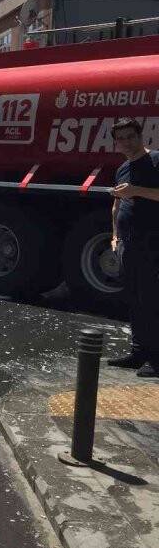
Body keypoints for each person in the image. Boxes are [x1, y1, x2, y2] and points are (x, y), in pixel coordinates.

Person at [107, 118, 159, 377]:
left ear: (140, 135)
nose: (126, 142)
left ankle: (156, 360)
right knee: (135, 299)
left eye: (130, 136)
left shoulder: (156, 160)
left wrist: (136, 190)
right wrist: (115, 237)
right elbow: (117, 204)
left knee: (152, 299)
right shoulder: (123, 168)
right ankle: (139, 353)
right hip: (129, 242)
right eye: (121, 139)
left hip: (153, 243)